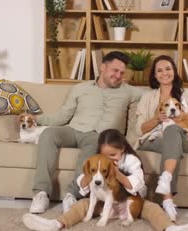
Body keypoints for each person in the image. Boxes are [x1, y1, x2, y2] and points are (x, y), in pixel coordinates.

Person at [23, 129, 188, 231]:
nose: (109, 160)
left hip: (132, 201)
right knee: (82, 204)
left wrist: (117, 174)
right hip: (104, 203)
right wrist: (88, 176)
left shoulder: (131, 160)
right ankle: (55, 224)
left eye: (114, 155)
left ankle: (170, 230)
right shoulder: (97, 163)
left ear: (122, 150)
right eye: (105, 156)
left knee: (153, 208)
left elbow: (137, 184)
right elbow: (83, 186)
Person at [29, 51, 145, 214]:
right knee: (48, 134)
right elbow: (63, 115)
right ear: (103, 67)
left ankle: (72, 195)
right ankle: (41, 193)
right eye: (114, 70)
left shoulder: (130, 91)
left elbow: (155, 96)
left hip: (98, 135)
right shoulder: (80, 88)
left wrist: (186, 96)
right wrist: (36, 119)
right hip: (74, 129)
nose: (118, 76)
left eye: (121, 72)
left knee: (92, 147)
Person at [135, 55, 188, 221]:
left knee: (172, 131)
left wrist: (184, 115)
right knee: (171, 141)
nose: (164, 73)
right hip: (154, 139)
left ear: (174, 72)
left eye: (168, 69)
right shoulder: (148, 97)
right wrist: (156, 119)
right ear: (154, 76)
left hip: (185, 138)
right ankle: (167, 199)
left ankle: (166, 188)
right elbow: (139, 130)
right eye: (159, 70)